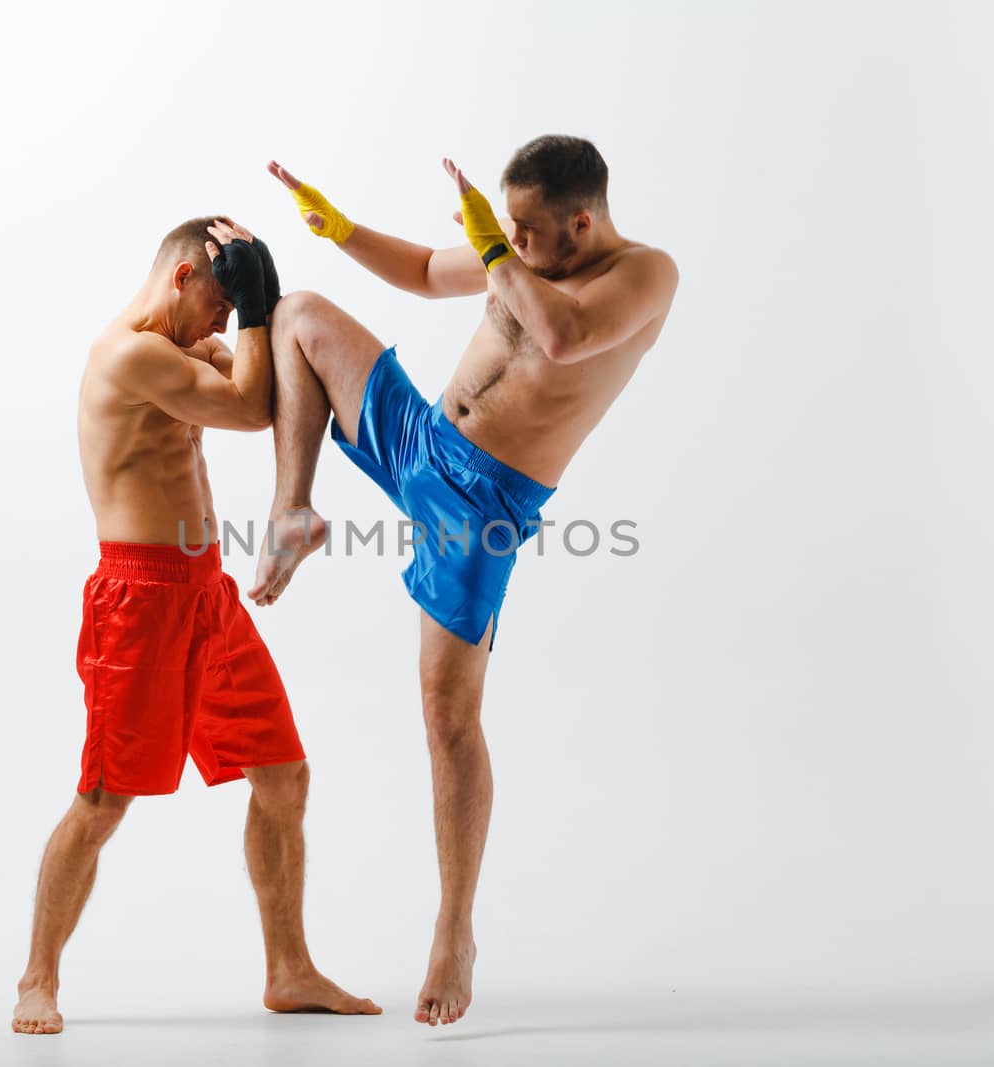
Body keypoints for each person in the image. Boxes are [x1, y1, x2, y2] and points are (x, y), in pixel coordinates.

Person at [246, 135, 679, 1026]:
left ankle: (454, 928)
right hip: (424, 441)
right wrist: (340, 227)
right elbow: (418, 270)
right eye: (505, 227)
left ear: (582, 222)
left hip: (481, 504)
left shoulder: (644, 276)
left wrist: (493, 249)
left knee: (447, 717)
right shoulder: (514, 249)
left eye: (526, 230)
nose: (510, 242)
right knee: (297, 314)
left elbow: (562, 338)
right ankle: (296, 510)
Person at [12, 216, 379, 1035]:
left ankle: (288, 970)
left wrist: (266, 294)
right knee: (104, 799)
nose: (224, 323)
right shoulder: (129, 355)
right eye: (219, 302)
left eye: (230, 309)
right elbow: (252, 409)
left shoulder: (182, 347)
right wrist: (252, 310)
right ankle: (37, 978)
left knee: (283, 777)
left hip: (206, 595)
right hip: (137, 604)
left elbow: (272, 385)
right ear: (181, 278)